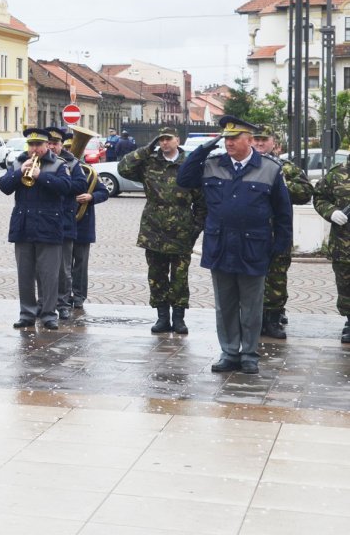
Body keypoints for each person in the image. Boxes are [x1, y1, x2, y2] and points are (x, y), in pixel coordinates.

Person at [178, 115, 292, 375]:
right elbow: (183, 179)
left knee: (252, 307)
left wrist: (281, 246)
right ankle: (229, 352)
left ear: (249, 140)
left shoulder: (270, 169)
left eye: (234, 138)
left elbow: (283, 212)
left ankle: (249, 354)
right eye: (226, 138)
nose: (228, 143)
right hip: (220, 246)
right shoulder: (212, 164)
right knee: (225, 305)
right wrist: (205, 147)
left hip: (254, 247)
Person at [119, 126, 205, 334]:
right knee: (156, 275)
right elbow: (124, 168)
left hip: (181, 229)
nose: (164, 142)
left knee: (180, 277)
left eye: (168, 139)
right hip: (154, 229)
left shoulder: (189, 164)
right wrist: (146, 149)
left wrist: (196, 227)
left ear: (177, 140)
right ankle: (162, 317)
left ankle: (179, 318)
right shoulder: (150, 162)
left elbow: (202, 200)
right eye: (161, 139)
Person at [0, 127, 73, 330]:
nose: (34, 149)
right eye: (31, 145)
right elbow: (4, 186)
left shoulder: (59, 164)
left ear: (47, 145)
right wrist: (19, 172)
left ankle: (48, 314)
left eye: (38, 145)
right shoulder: (18, 162)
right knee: (25, 275)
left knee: (49, 275)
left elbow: (66, 188)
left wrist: (40, 175)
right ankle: (26, 313)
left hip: (49, 226)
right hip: (23, 226)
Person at [251, 126, 313, 339]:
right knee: (251, 276)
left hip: (278, 232)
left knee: (277, 276)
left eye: (264, 140)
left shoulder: (286, 168)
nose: (260, 143)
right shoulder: (244, 166)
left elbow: (306, 193)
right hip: (251, 233)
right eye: (256, 139)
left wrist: (282, 185)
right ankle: (254, 319)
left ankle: (273, 318)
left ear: (274, 143)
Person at [47, 127, 88, 321]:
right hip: (44, 222)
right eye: (49, 143)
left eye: (55, 143)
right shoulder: (35, 161)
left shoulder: (72, 163)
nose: (52, 147)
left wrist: (57, 183)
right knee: (44, 268)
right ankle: (45, 303)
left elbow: (81, 185)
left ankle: (63, 303)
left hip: (64, 220)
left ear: (61, 145)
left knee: (64, 269)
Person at [65, 134, 109, 312]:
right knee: (63, 264)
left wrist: (91, 197)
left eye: (73, 148)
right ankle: (64, 295)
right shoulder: (56, 169)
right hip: (63, 222)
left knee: (80, 264)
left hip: (82, 223)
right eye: (67, 149)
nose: (70, 152)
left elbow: (104, 192)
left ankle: (79, 296)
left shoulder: (89, 171)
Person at [311, 159, 350, 344]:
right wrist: (331, 212)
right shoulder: (336, 174)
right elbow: (319, 197)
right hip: (344, 245)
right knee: (346, 286)